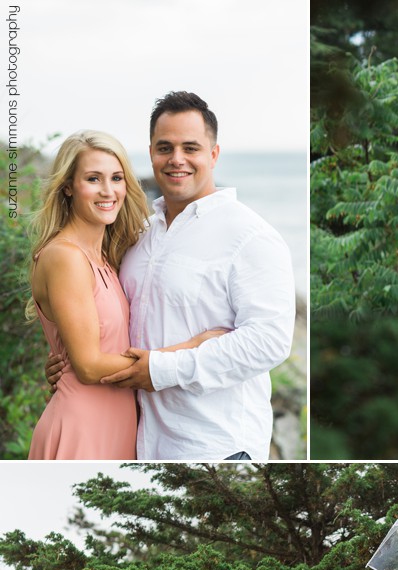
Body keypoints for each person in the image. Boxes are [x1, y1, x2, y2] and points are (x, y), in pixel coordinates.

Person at [44, 91, 295, 461]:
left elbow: (270, 342)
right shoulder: (141, 234)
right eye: (165, 148)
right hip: (139, 441)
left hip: (214, 446)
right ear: (151, 154)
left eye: (190, 148)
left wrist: (164, 368)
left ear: (213, 154)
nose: (177, 159)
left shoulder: (249, 236)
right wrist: (69, 359)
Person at [26, 131, 224, 460]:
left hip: (121, 425)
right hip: (83, 425)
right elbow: (88, 366)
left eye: (116, 178)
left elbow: (99, 345)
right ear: (68, 186)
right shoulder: (66, 257)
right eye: (93, 178)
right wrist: (189, 349)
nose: (108, 191)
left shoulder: (107, 256)